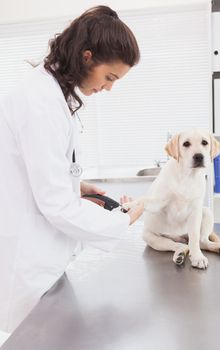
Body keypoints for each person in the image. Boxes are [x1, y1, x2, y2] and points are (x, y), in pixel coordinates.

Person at [0, 5, 143, 334]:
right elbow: (56, 205)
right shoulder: (40, 103)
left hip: (44, 261)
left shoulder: (52, 95)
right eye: (110, 77)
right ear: (87, 57)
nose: (109, 88)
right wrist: (123, 219)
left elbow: (31, 169)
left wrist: (72, 184)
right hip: (29, 265)